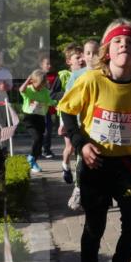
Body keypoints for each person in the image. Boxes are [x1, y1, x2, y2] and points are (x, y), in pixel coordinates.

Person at [57, 19, 131, 262]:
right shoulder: (91, 80)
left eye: (130, 42)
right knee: (95, 226)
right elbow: (66, 110)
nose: (123, 45)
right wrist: (81, 143)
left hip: (126, 164)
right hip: (95, 162)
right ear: (107, 52)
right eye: (117, 42)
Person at [62, 38, 100, 212]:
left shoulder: (106, 73)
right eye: (88, 53)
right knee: (81, 160)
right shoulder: (78, 75)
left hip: (101, 126)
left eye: (95, 52)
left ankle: (100, 192)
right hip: (81, 126)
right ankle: (78, 189)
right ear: (84, 56)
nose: (91, 57)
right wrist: (65, 123)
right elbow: (67, 102)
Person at [18, 69, 57, 174]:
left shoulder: (45, 92)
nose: (40, 88)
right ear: (32, 82)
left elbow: (50, 102)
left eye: (42, 86)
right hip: (29, 118)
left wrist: (57, 103)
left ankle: (33, 161)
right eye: (38, 85)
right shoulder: (29, 90)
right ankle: (31, 157)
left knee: (40, 142)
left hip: (40, 118)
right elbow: (21, 90)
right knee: (37, 137)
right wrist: (27, 80)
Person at [57, 42, 84, 185]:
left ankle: (79, 178)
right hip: (69, 118)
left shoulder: (87, 74)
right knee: (70, 147)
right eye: (77, 57)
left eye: (82, 57)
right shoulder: (66, 77)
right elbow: (64, 103)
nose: (82, 60)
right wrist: (63, 123)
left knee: (79, 150)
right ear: (69, 61)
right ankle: (65, 166)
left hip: (83, 119)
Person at [40, 55, 58, 159]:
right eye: (47, 64)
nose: (49, 66)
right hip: (39, 108)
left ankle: (46, 149)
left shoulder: (55, 76)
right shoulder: (37, 75)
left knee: (49, 129)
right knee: (41, 130)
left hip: (49, 108)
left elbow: (56, 90)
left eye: (50, 64)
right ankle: (39, 150)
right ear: (41, 65)